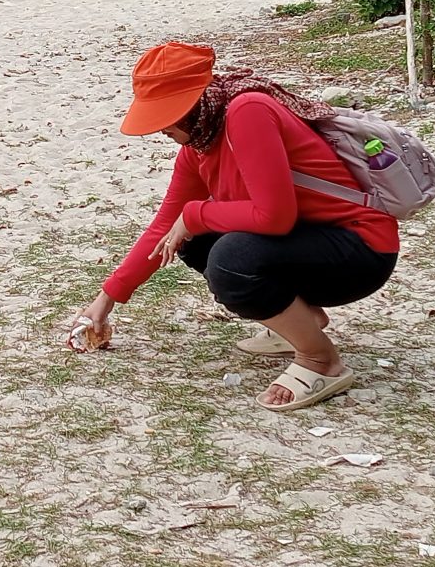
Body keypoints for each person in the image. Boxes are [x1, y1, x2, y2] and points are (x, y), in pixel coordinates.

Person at [71, 42, 400, 412]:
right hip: (312, 243)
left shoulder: (247, 111)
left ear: (191, 104)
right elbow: (164, 227)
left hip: (361, 250)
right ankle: (302, 322)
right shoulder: (199, 146)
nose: (159, 128)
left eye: (164, 115)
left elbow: (275, 216)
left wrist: (196, 215)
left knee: (230, 259)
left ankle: (320, 360)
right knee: (190, 241)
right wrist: (106, 299)